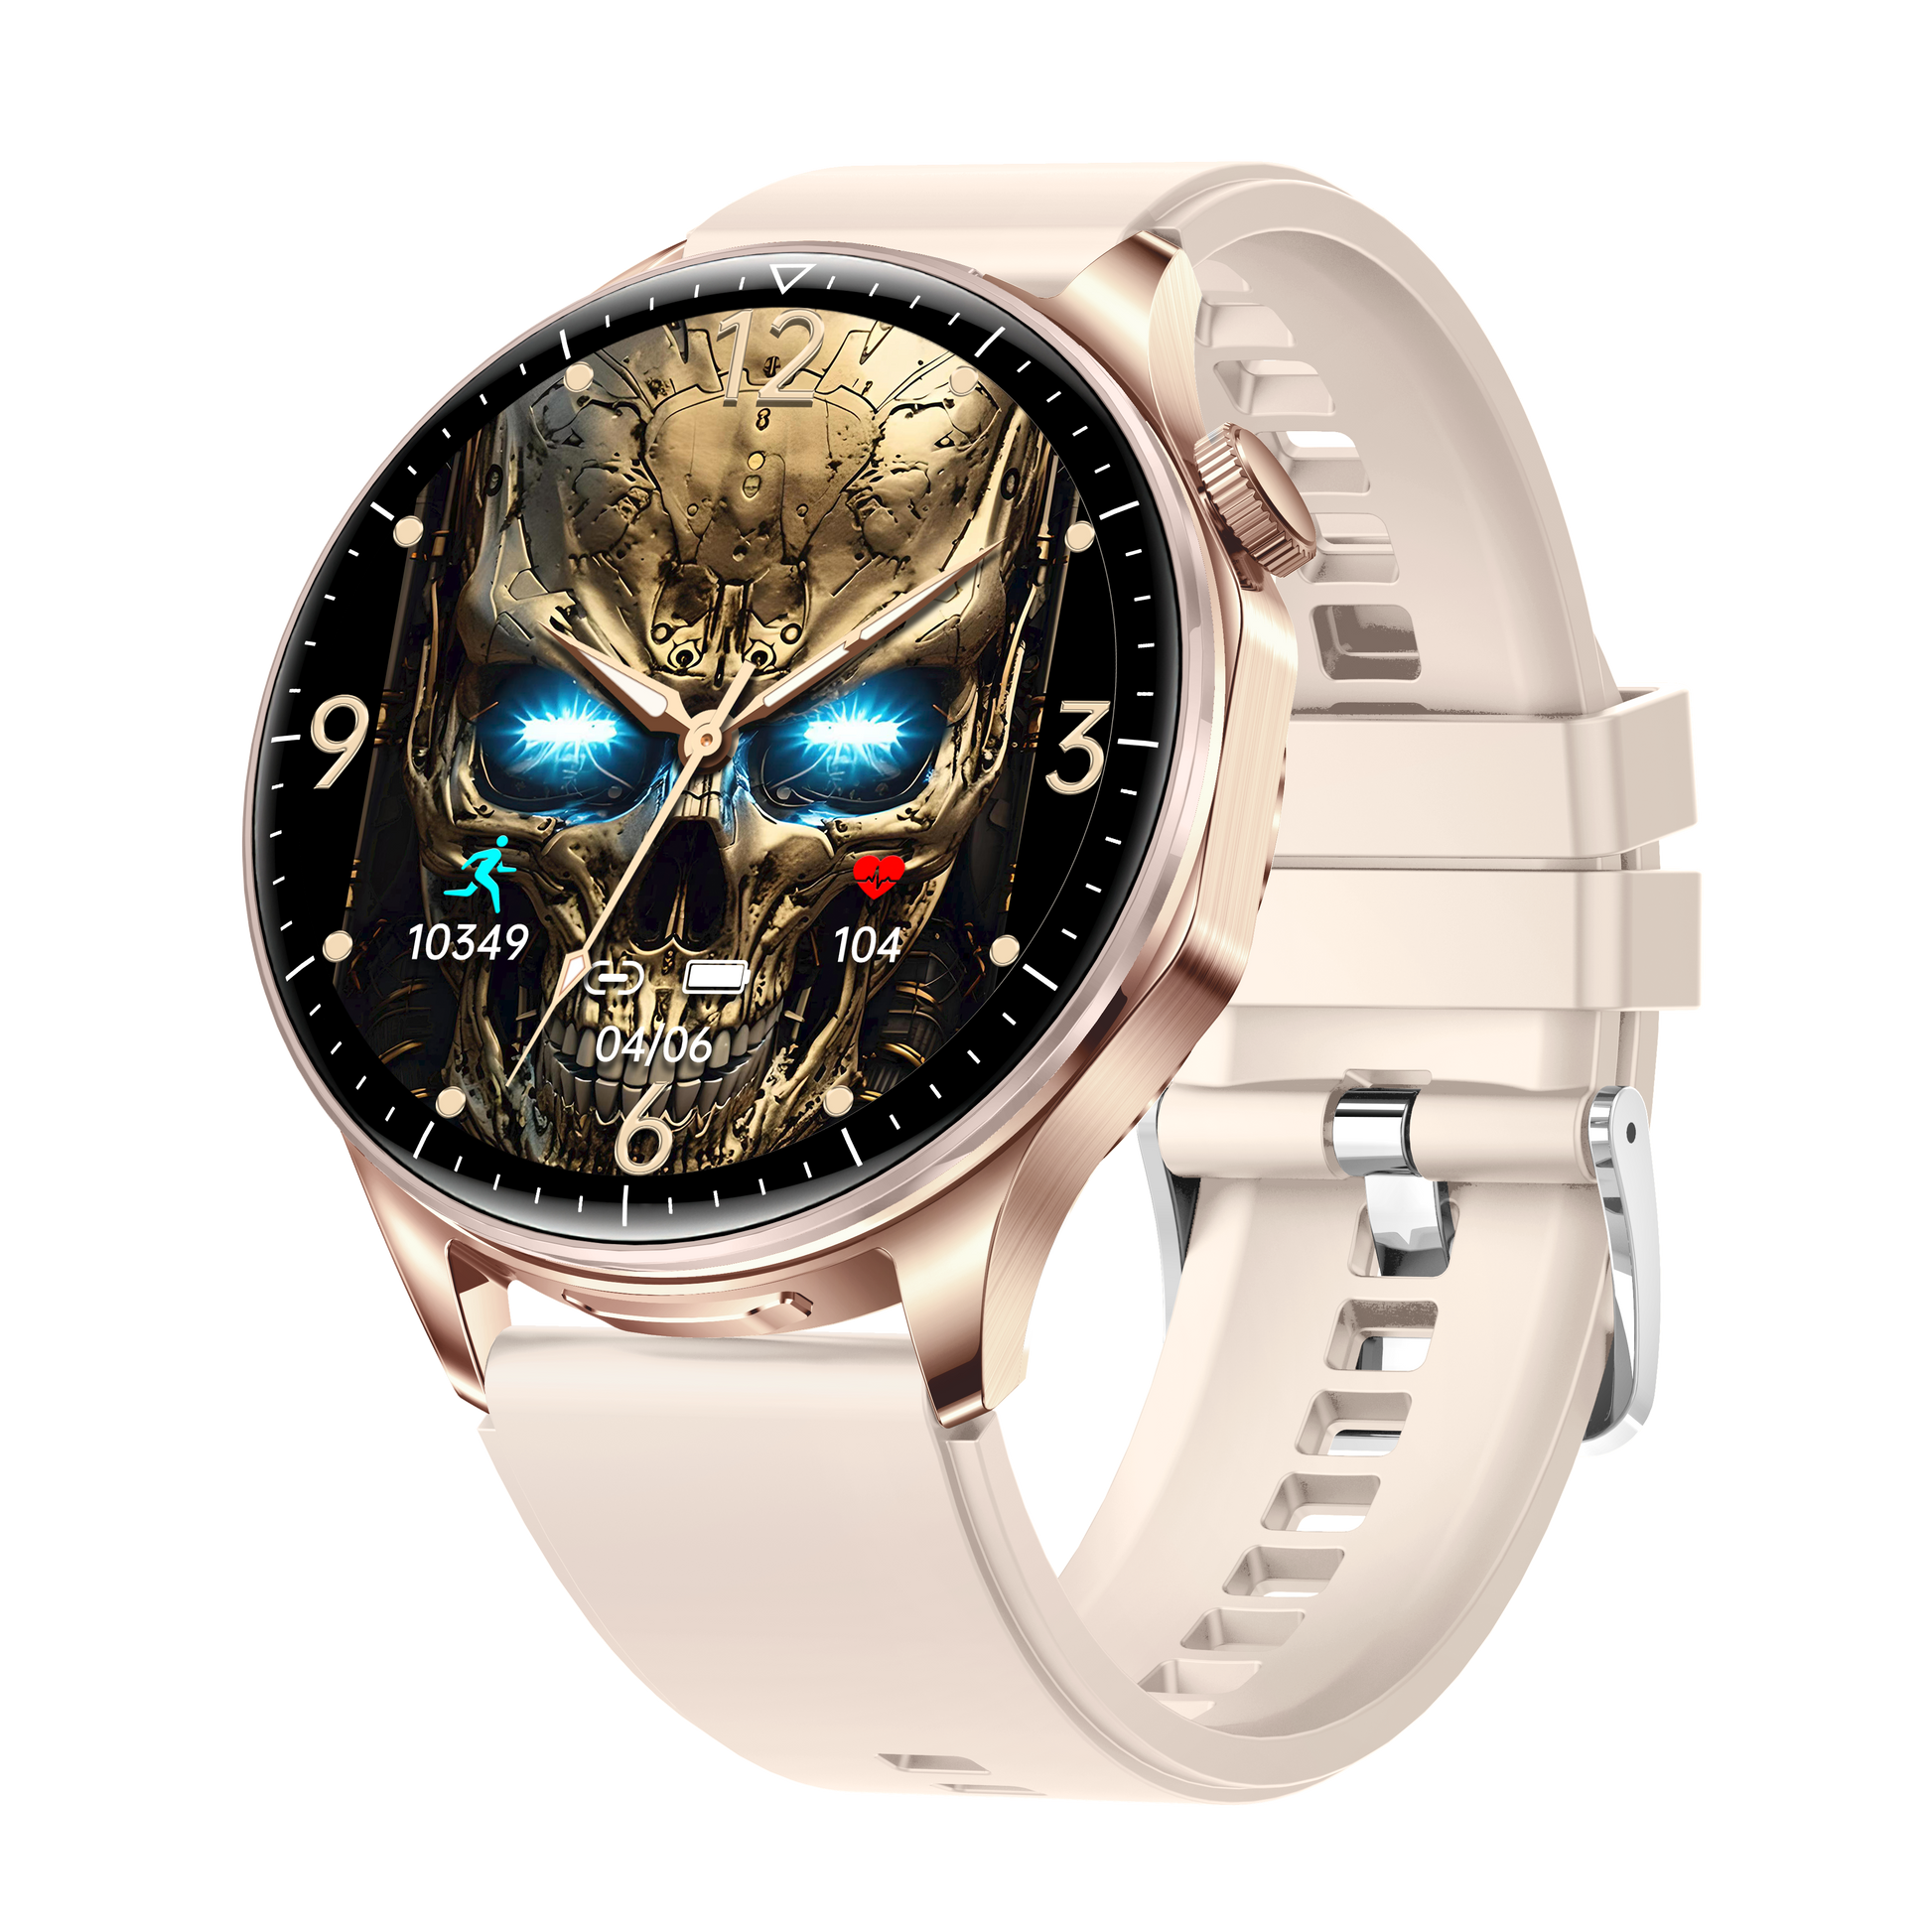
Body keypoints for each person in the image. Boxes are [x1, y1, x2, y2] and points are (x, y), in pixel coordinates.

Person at [445, 836, 517, 915]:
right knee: (494, 888)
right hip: (481, 874)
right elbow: (475, 856)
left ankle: (448, 892)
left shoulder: (498, 855)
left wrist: (513, 869)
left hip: (481, 874)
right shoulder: (494, 852)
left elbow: (500, 868)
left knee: (468, 891)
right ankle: (497, 910)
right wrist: (465, 865)